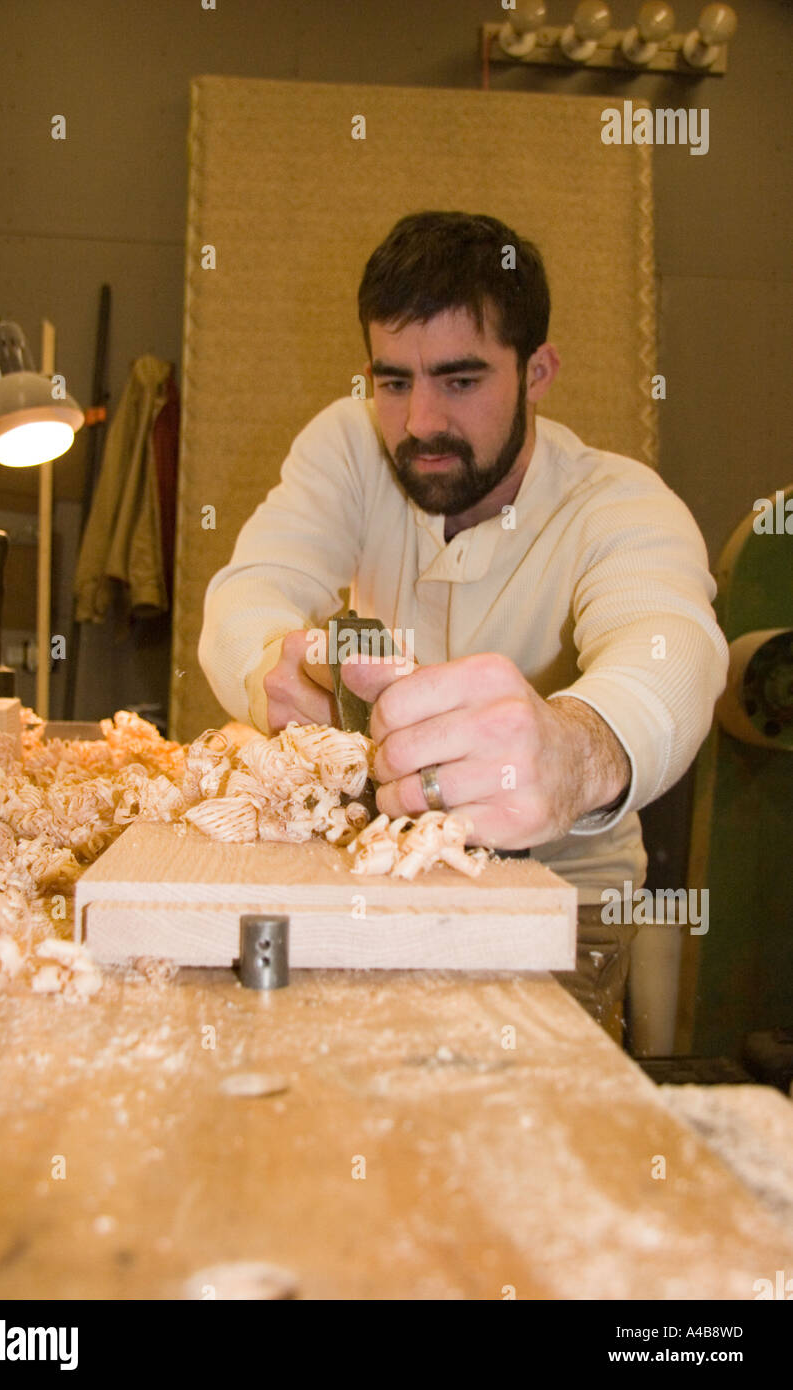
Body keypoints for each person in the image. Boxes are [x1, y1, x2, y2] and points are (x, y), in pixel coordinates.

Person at [198, 211, 729, 1043]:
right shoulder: (348, 447)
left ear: (538, 371)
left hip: (568, 899)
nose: (419, 424)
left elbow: (674, 650)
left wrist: (577, 750)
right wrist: (272, 665)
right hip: (380, 875)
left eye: (461, 380)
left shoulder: (618, 501)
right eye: (394, 381)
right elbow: (250, 588)